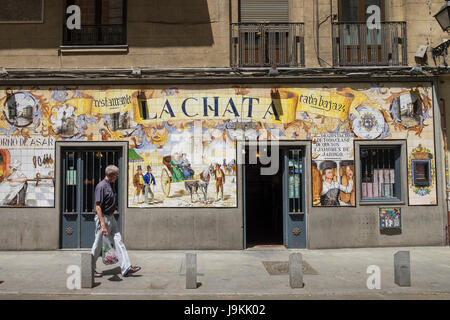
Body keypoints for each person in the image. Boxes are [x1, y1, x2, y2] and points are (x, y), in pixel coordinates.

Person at [91, 165, 141, 277]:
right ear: (111, 174)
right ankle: (90, 268)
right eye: (116, 174)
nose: (117, 177)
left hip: (111, 217)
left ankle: (126, 268)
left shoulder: (110, 185)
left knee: (118, 240)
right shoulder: (101, 186)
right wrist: (102, 224)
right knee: (98, 244)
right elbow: (98, 207)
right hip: (103, 218)